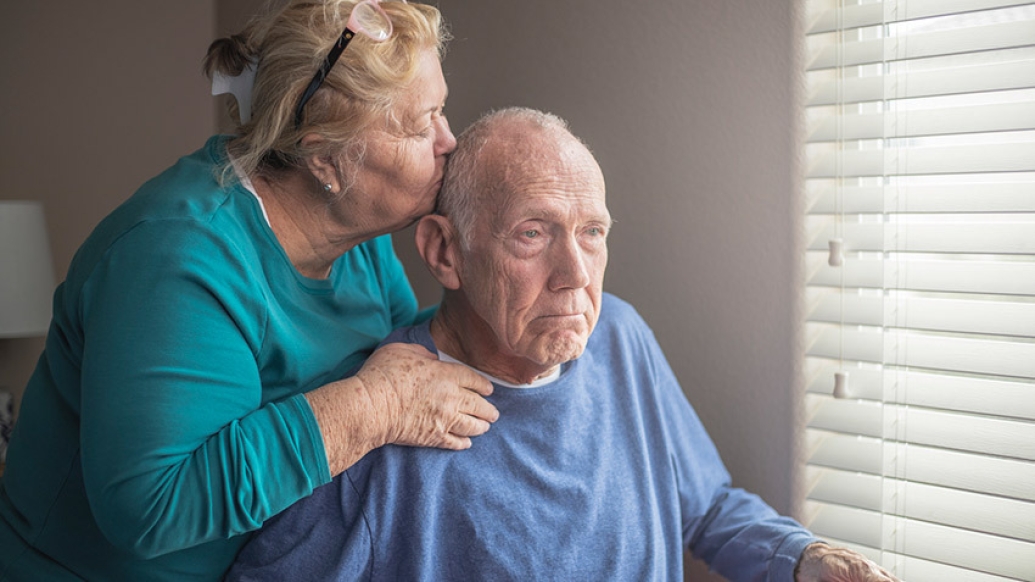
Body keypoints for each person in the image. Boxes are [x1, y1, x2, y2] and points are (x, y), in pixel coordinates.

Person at [226, 107, 901, 582]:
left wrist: (800, 558)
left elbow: (704, 505)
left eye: (591, 233)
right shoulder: (385, 406)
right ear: (444, 251)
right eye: (532, 233)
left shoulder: (620, 338)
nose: (576, 275)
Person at [0, 2, 500, 581]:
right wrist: (373, 408)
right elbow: (151, 509)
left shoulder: (358, 238)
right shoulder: (176, 257)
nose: (450, 141)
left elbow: (409, 364)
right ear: (324, 160)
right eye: (422, 123)